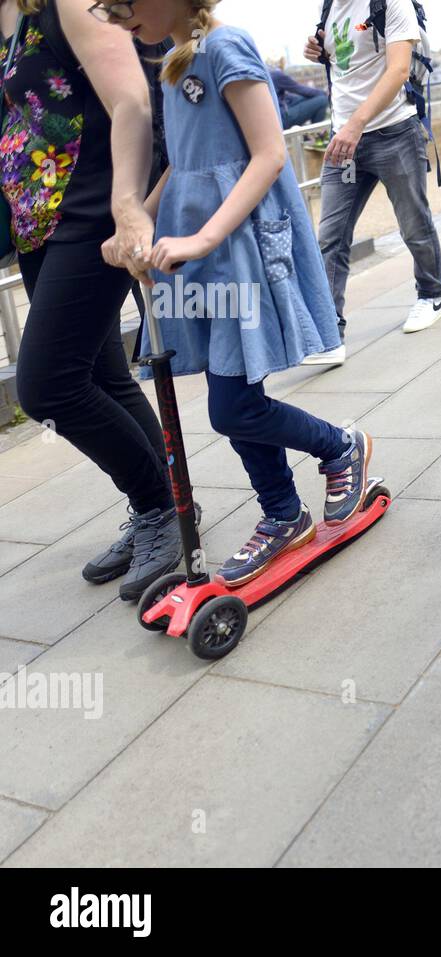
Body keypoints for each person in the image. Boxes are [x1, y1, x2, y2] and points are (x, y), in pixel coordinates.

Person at [106, 0, 379, 586]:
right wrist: (139, 225)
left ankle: (338, 447)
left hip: (236, 251)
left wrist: (203, 236)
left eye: (123, 4)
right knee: (233, 391)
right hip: (199, 253)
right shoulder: (174, 61)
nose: (116, 17)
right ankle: (282, 512)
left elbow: (270, 152)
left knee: (232, 405)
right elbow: (183, 164)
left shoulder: (225, 48)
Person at [3, 0, 186, 602]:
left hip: (90, 213)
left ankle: (160, 507)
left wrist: (129, 207)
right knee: (103, 376)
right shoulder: (14, 15)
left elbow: (131, 99)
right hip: (39, 221)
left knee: (47, 386)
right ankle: (166, 508)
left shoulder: (67, 2)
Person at [301, 0, 441, 365]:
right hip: (345, 140)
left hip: (393, 133)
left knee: (413, 224)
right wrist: (317, 52)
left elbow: (398, 71)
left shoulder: (390, 3)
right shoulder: (329, 7)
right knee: (330, 238)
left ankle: (432, 294)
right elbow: (346, 66)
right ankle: (328, 333)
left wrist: (356, 124)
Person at [270, 63, 328, 129]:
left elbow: (288, 97)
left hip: (275, 120)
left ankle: (310, 134)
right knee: (322, 100)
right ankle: (317, 134)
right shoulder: (276, 75)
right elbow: (300, 89)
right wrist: (324, 93)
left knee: (308, 97)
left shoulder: (268, 76)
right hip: (281, 120)